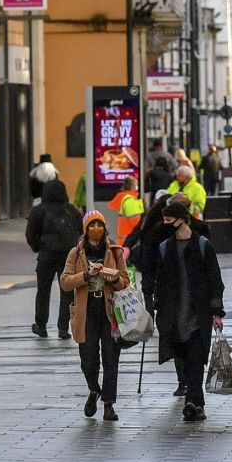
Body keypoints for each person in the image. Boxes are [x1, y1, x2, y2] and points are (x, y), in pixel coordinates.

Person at [153, 199, 224, 422]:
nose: (165, 223)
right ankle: (193, 400)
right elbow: (160, 279)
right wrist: (156, 304)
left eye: (168, 218)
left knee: (195, 356)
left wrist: (216, 311)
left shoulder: (203, 246)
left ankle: (195, 402)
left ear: (182, 219)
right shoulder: (165, 248)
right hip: (173, 314)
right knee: (182, 357)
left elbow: (215, 279)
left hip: (198, 313)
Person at [61, 212, 129, 421]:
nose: (96, 228)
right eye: (92, 224)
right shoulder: (76, 252)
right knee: (88, 360)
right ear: (85, 228)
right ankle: (93, 389)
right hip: (86, 311)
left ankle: (108, 405)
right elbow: (65, 282)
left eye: (100, 224)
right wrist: (86, 275)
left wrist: (112, 276)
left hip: (109, 312)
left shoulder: (115, 252)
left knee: (110, 360)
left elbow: (125, 281)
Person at [26, 179, 83, 339]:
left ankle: (41, 325)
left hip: (46, 256)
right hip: (68, 256)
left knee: (43, 291)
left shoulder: (38, 211)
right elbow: (81, 231)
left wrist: (38, 247)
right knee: (67, 291)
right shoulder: (71, 210)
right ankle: (63, 328)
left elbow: (30, 234)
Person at [107, 174, 146, 241]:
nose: (137, 187)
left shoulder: (122, 199)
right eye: (136, 184)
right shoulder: (130, 201)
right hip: (130, 242)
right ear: (132, 186)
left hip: (124, 241)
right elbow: (137, 224)